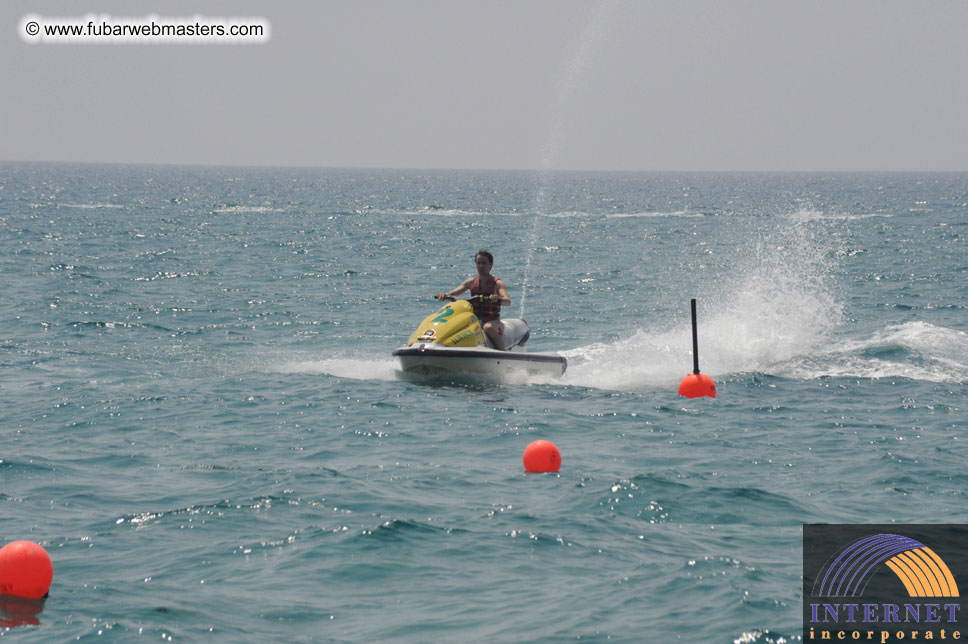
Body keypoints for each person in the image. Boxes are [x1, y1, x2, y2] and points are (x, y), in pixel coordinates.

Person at [435, 250, 511, 350]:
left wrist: (497, 299)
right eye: (478, 263)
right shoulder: (471, 282)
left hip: (492, 321)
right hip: (475, 320)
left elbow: (507, 301)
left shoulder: (498, 283)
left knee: (488, 327)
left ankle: (502, 353)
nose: (481, 266)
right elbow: (454, 293)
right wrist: (444, 295)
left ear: (490, 265)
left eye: (484, 263)